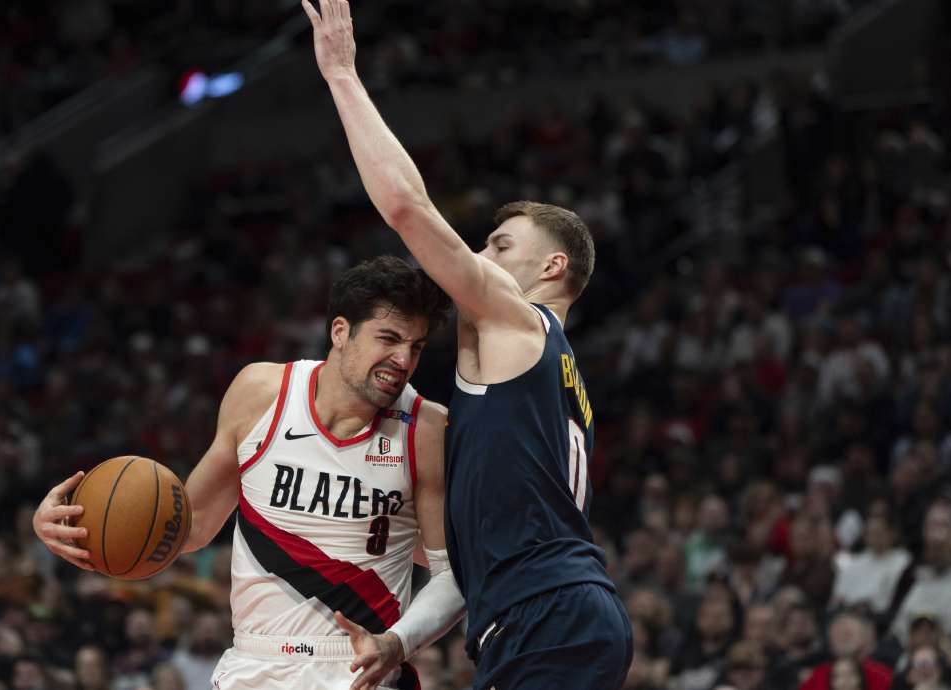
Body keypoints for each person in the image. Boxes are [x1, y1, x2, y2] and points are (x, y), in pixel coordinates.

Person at [302, 2, 631, 687]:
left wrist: (341, 76)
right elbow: (473, 572)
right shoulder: (549, 389)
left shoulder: (520, 325)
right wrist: (398, 642)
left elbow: (406, 209)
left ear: (552, 269)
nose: (478, 256)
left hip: (548, 616)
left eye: (500, 245)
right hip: (539, 617)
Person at [34, 256, 464, 690]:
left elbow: (453, 572)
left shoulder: (425, 429)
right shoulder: (262, 392)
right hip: (252, 663)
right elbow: (192, 525)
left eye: (416, 346)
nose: (403, 359)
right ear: (340, 332)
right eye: (388, 338)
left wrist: (398, 643)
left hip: (356, 667)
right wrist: (78, 528)